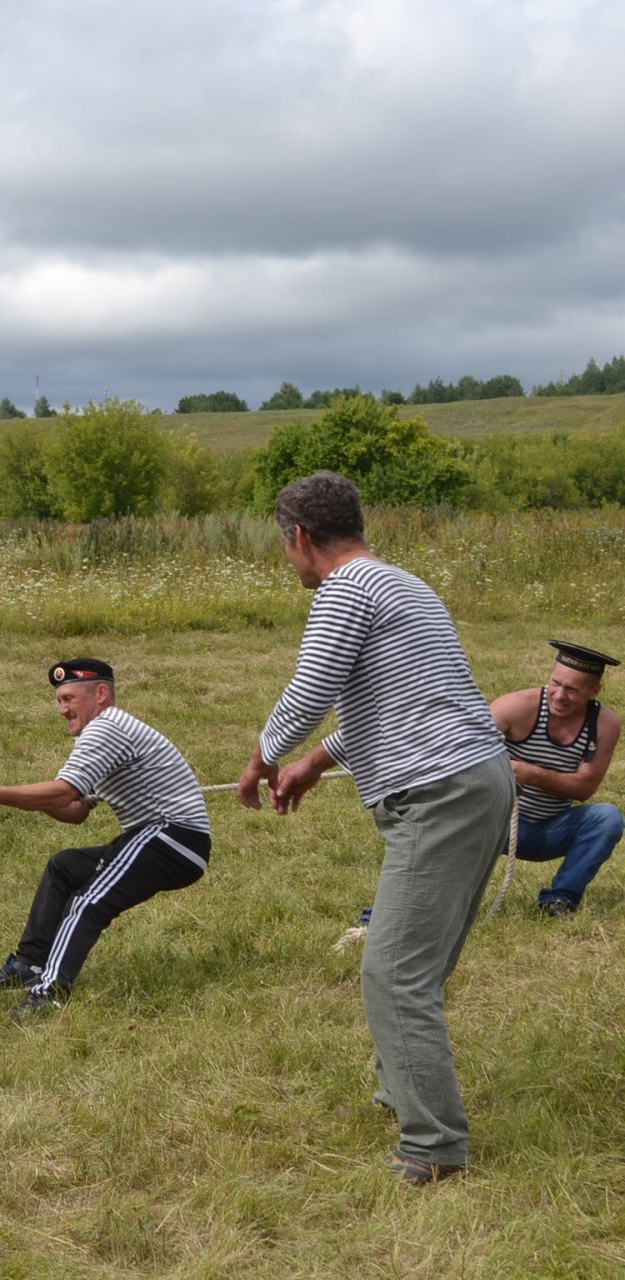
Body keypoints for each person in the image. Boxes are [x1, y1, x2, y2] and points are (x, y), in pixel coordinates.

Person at [236, 470, 512, 1186]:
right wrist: (316, 762)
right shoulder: (403, 584)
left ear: (299, 536)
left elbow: (312, 688)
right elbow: (399, 697)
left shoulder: (345, 591)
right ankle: (404, 1094)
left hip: (440, 793)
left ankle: (433, 1147)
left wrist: (263, 758)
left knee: (394, 973)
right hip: (477, 778)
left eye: (284, 545)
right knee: (415, 967)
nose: (289, 559)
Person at [0, 660, 211, 1021]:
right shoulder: (107, 732)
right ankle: (30, 963)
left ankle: (49, 993)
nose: (62, 709)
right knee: (65, 867)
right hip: (162, 838)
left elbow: (63, 794)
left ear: (101, 694)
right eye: (59, 700)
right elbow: (75, 810)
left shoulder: (107, 728)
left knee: (89, 903)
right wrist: (37, 800)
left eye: (69, 698)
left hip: (169, 836)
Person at [489, 640, 622, 916]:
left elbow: (584, 788)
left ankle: (559, 901)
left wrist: (531, 774)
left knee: (607, 818)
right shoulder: (514, 707)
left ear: (594, 692)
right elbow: (462, 756)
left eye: (572, 689)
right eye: (555, 683)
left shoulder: (604, 725)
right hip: (493, 825)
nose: (559, 695)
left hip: (550, 829)